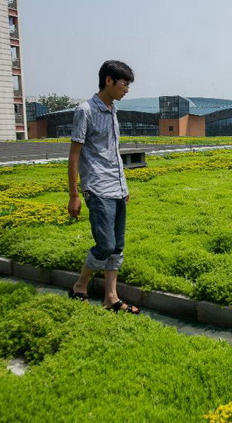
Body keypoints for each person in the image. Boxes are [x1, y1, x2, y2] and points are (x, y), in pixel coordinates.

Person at [67, 60, 139, 314]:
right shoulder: (85, 110)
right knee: (105, 245)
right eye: (124, 84)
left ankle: (111, 297)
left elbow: (113, 152)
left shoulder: (113, 110)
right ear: (109, 80)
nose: (127, 89)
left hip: (117, 187)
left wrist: (124, 184)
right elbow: (74, 155)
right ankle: (80, 284)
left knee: (117, 245)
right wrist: (74, 194)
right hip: (97, 188)